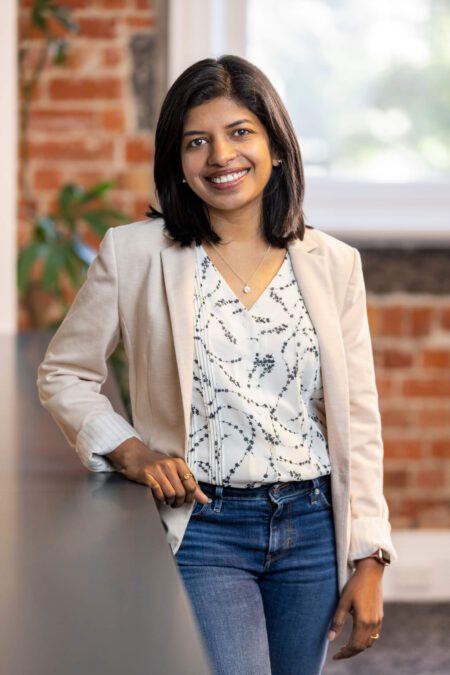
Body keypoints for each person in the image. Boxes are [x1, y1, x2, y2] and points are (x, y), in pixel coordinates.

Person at [37, 55, 398, 675]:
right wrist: (130, 450)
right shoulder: (136, 254)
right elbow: (64, 373)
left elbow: (357, 420)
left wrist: (370, 557)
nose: (220, 157)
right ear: (178, 163)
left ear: (277, 148)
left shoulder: (333, 263)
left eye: (240, 133)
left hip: (311, 524)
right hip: (205, 525)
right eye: (196, 141)